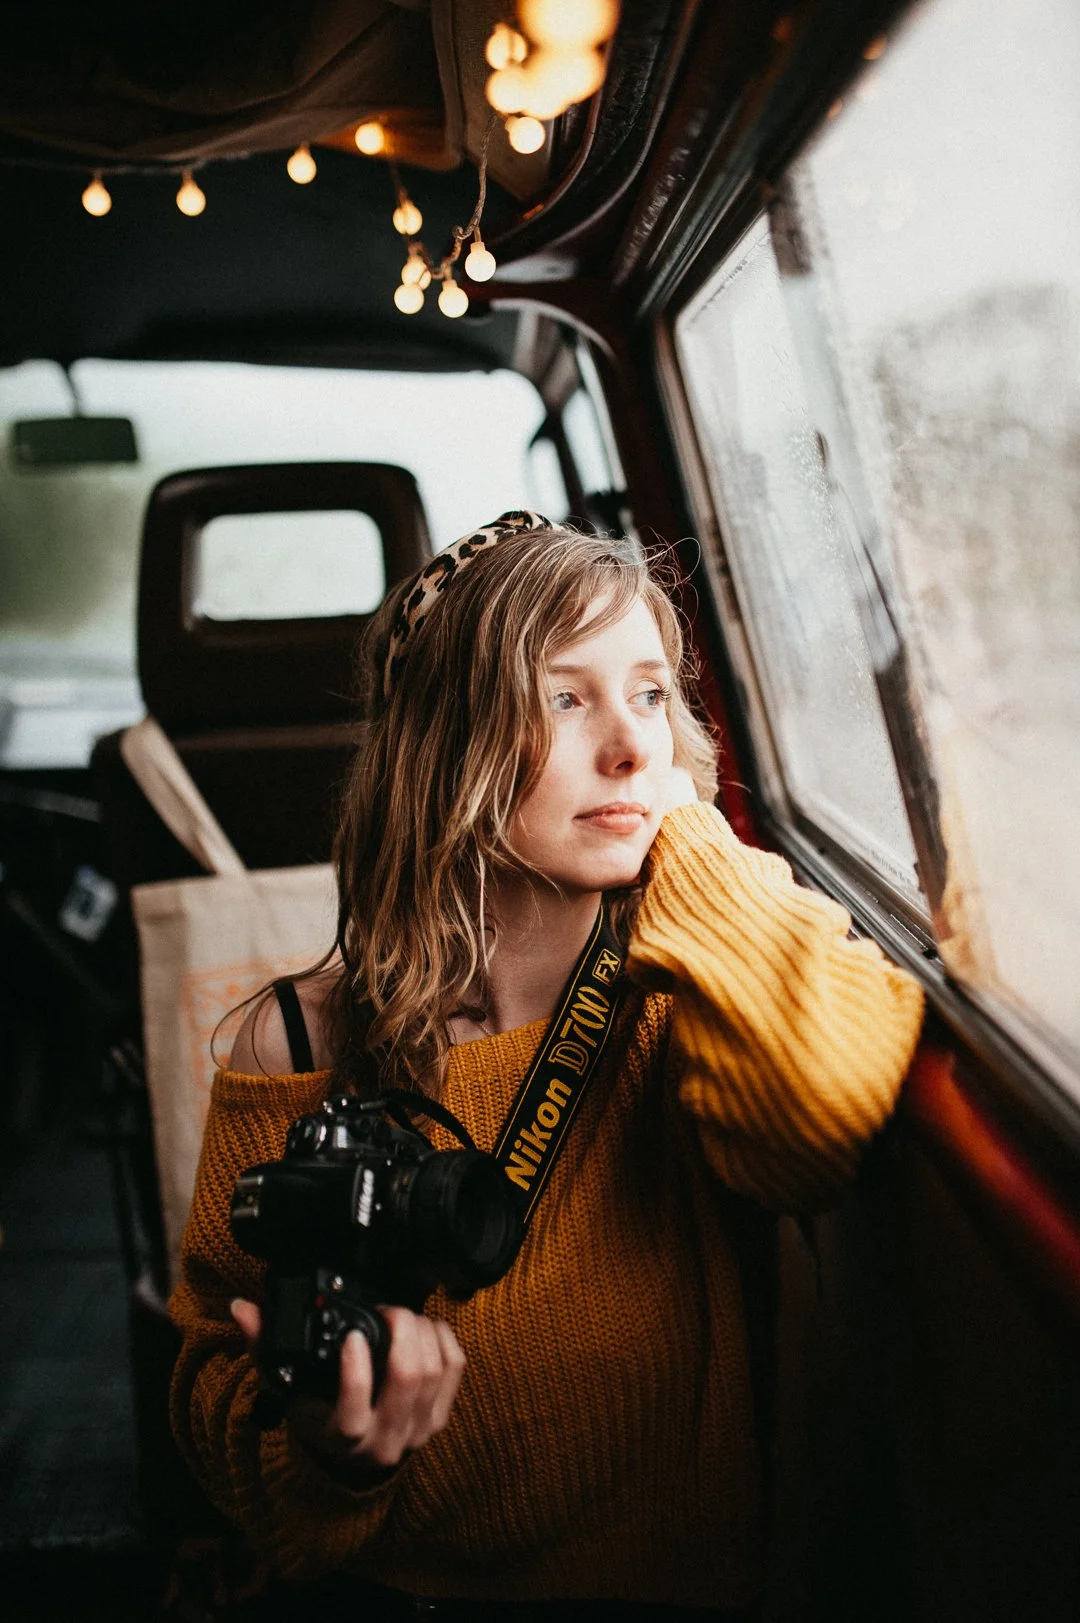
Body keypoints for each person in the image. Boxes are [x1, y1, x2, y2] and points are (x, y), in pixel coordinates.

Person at [169, 513, 924, 1620]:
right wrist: (333, 1451)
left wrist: (688, 835)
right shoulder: (299, 1040)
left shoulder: (687, 1000)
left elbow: (815, 1114)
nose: (629, 747)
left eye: (651, 696)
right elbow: (210, 1380)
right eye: (565, 699)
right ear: (449, 746)